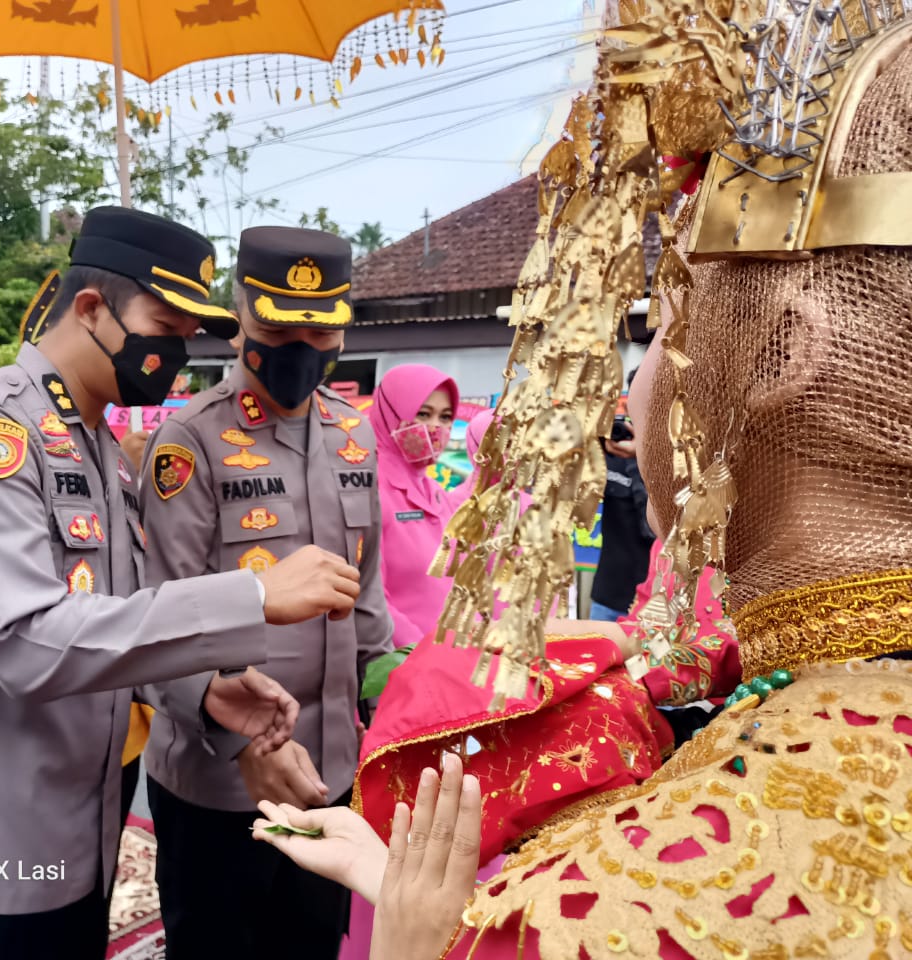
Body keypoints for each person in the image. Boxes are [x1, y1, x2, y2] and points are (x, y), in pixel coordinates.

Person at [251, 12, 912, 955]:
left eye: (662, 330)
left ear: (779, 353)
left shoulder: (606, 903)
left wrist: (422, 942)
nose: (630, 387)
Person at [0, 207, 366, 960]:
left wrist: (208, 691)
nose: (177, 351)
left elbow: (117, 626)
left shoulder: (105, 456)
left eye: (189, 333)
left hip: (74, 845)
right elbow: (26, 641)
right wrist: (251, 596)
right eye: (165, 324)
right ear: (91, 308)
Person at [139, 225, 394, 960]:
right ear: (242, 313)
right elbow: (158, 623)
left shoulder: (355, 435)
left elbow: (366, 599)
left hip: (330, 774)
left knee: (312, 943)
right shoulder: (191, 441)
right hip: (219, 780)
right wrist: (231, 732)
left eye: (320, 329)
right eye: (280, 326)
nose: (300, 348)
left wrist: (395, 692)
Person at [370, 364, 460, 649]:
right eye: (423, 414)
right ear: (390, 413)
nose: (435, 428)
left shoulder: (436, 493)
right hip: (399, 663)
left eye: (445, 417)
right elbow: (371, 597)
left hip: (450, 659)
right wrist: (420, 654)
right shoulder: (369, 491)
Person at [588, 370, 654, 621]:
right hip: (609, 597)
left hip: (658, 603)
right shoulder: (609, 452)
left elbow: (655, 527)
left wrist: (645, 456)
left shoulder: (678, 461)